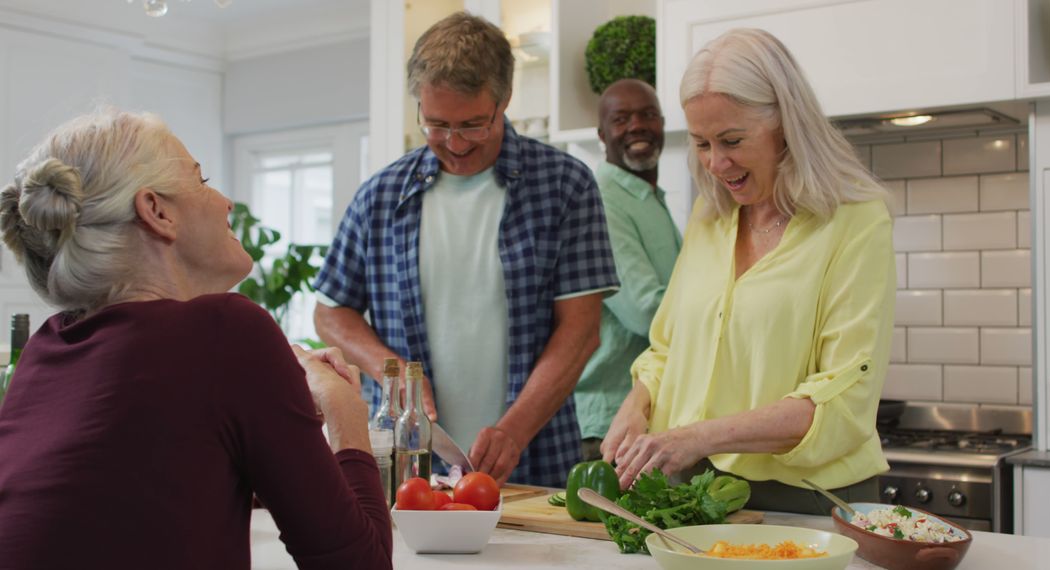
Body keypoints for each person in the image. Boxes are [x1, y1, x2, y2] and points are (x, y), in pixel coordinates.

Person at [0, 109, 392, 569]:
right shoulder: (226, 329)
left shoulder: (47, 349)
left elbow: (149, 502)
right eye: (201, 179)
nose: (225, 201)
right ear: (157, 211)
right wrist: (343, 406)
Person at [313, 12, 618, 487]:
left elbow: (581, 331)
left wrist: (513, 432)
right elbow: (332, 313)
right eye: (436, 125)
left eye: (473, 125)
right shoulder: (381, 195)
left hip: (535, 458)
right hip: (406, 465)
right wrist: (392, 375)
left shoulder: (565, 185)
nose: (454, 144)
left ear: (504, 101)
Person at [601, 28, 895, 515]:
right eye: (700, 144)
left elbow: (842, 400)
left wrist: (698, 437)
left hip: (808, 502)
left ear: (785, 124)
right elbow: (668, 347)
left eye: (732, 140)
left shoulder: (856, 222)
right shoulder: (709, 217)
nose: (716, 164)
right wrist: (638, 404)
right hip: (691, 491)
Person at [575, 79, 682, 462]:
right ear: (602, 135)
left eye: (648, 115)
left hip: (647, 418)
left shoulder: (647, 196)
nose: (637, 126)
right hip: (610, 424)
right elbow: (644, 311)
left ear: (663, 123)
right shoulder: (603, 199)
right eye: (621, 119)